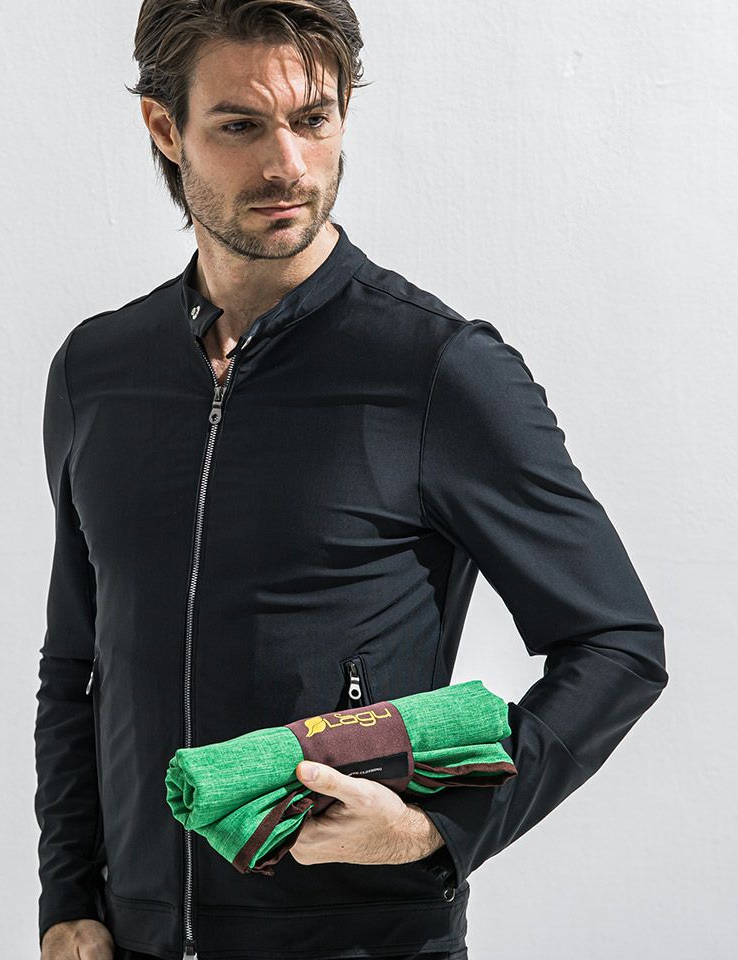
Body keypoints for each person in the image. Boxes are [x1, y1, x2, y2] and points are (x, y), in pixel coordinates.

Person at [34, 2, 669, 958]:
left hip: (362, 939)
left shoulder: (437, 369)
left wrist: (437, 830)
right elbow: (75, 662)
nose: (287, 164)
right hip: (137, 938)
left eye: (313, 119)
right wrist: (68, 898)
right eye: (240, 126)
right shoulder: (98, 370)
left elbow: (617, 644)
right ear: (166, 128)